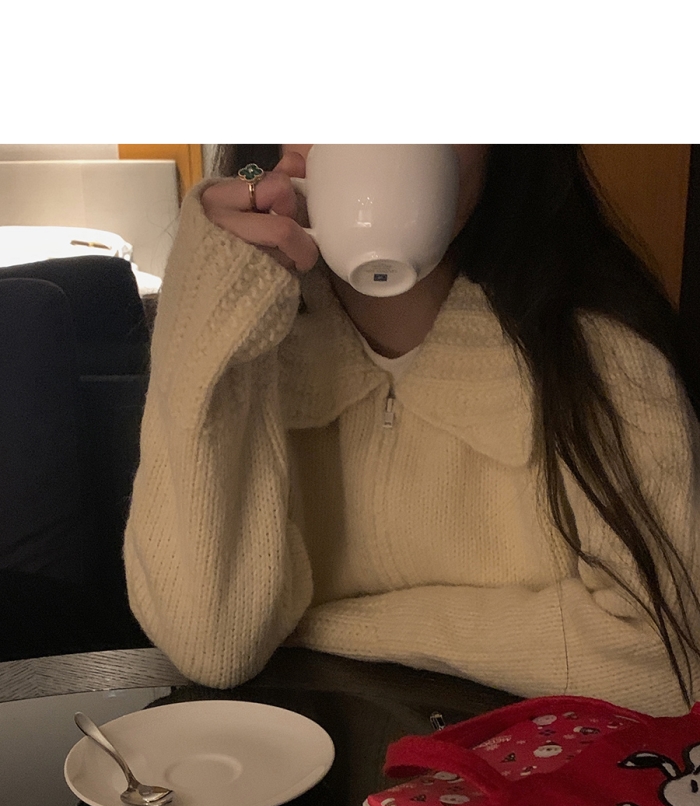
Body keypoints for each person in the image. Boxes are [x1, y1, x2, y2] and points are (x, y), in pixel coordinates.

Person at [125, 145, 700, 713]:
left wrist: (326, 626)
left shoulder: (602, 361)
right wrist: (204, 312)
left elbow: (672, 662)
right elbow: (211, 646)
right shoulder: (248, 350)